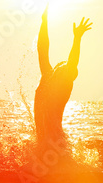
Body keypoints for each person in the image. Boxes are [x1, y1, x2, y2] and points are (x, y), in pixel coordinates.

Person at [34, 5, 92, 151]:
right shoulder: (48, 77)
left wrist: (77, 38)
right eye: (62, 65)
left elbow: (72, 62)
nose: (62, 67)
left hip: (55, 141)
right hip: (43, 141)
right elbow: (42, 49)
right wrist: (44, 21)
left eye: (66, 69)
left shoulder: (62, 88)